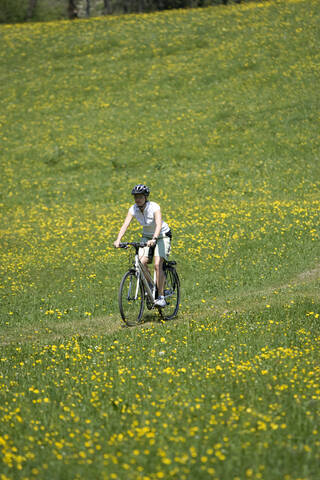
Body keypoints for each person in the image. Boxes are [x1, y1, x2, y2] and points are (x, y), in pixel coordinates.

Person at [114, 184, 172, 308]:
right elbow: (125, 224)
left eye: (140, 197)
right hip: (146, 236)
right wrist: (118, 240)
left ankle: (161, 297)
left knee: (157, 264)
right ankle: (151, 286)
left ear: (145, 197)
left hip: (161, 235)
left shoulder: (154, 207)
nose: (137, 199)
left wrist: (154, 239)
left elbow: (158, 224)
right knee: (141, 262)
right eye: (135, 197)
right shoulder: (133, 209)